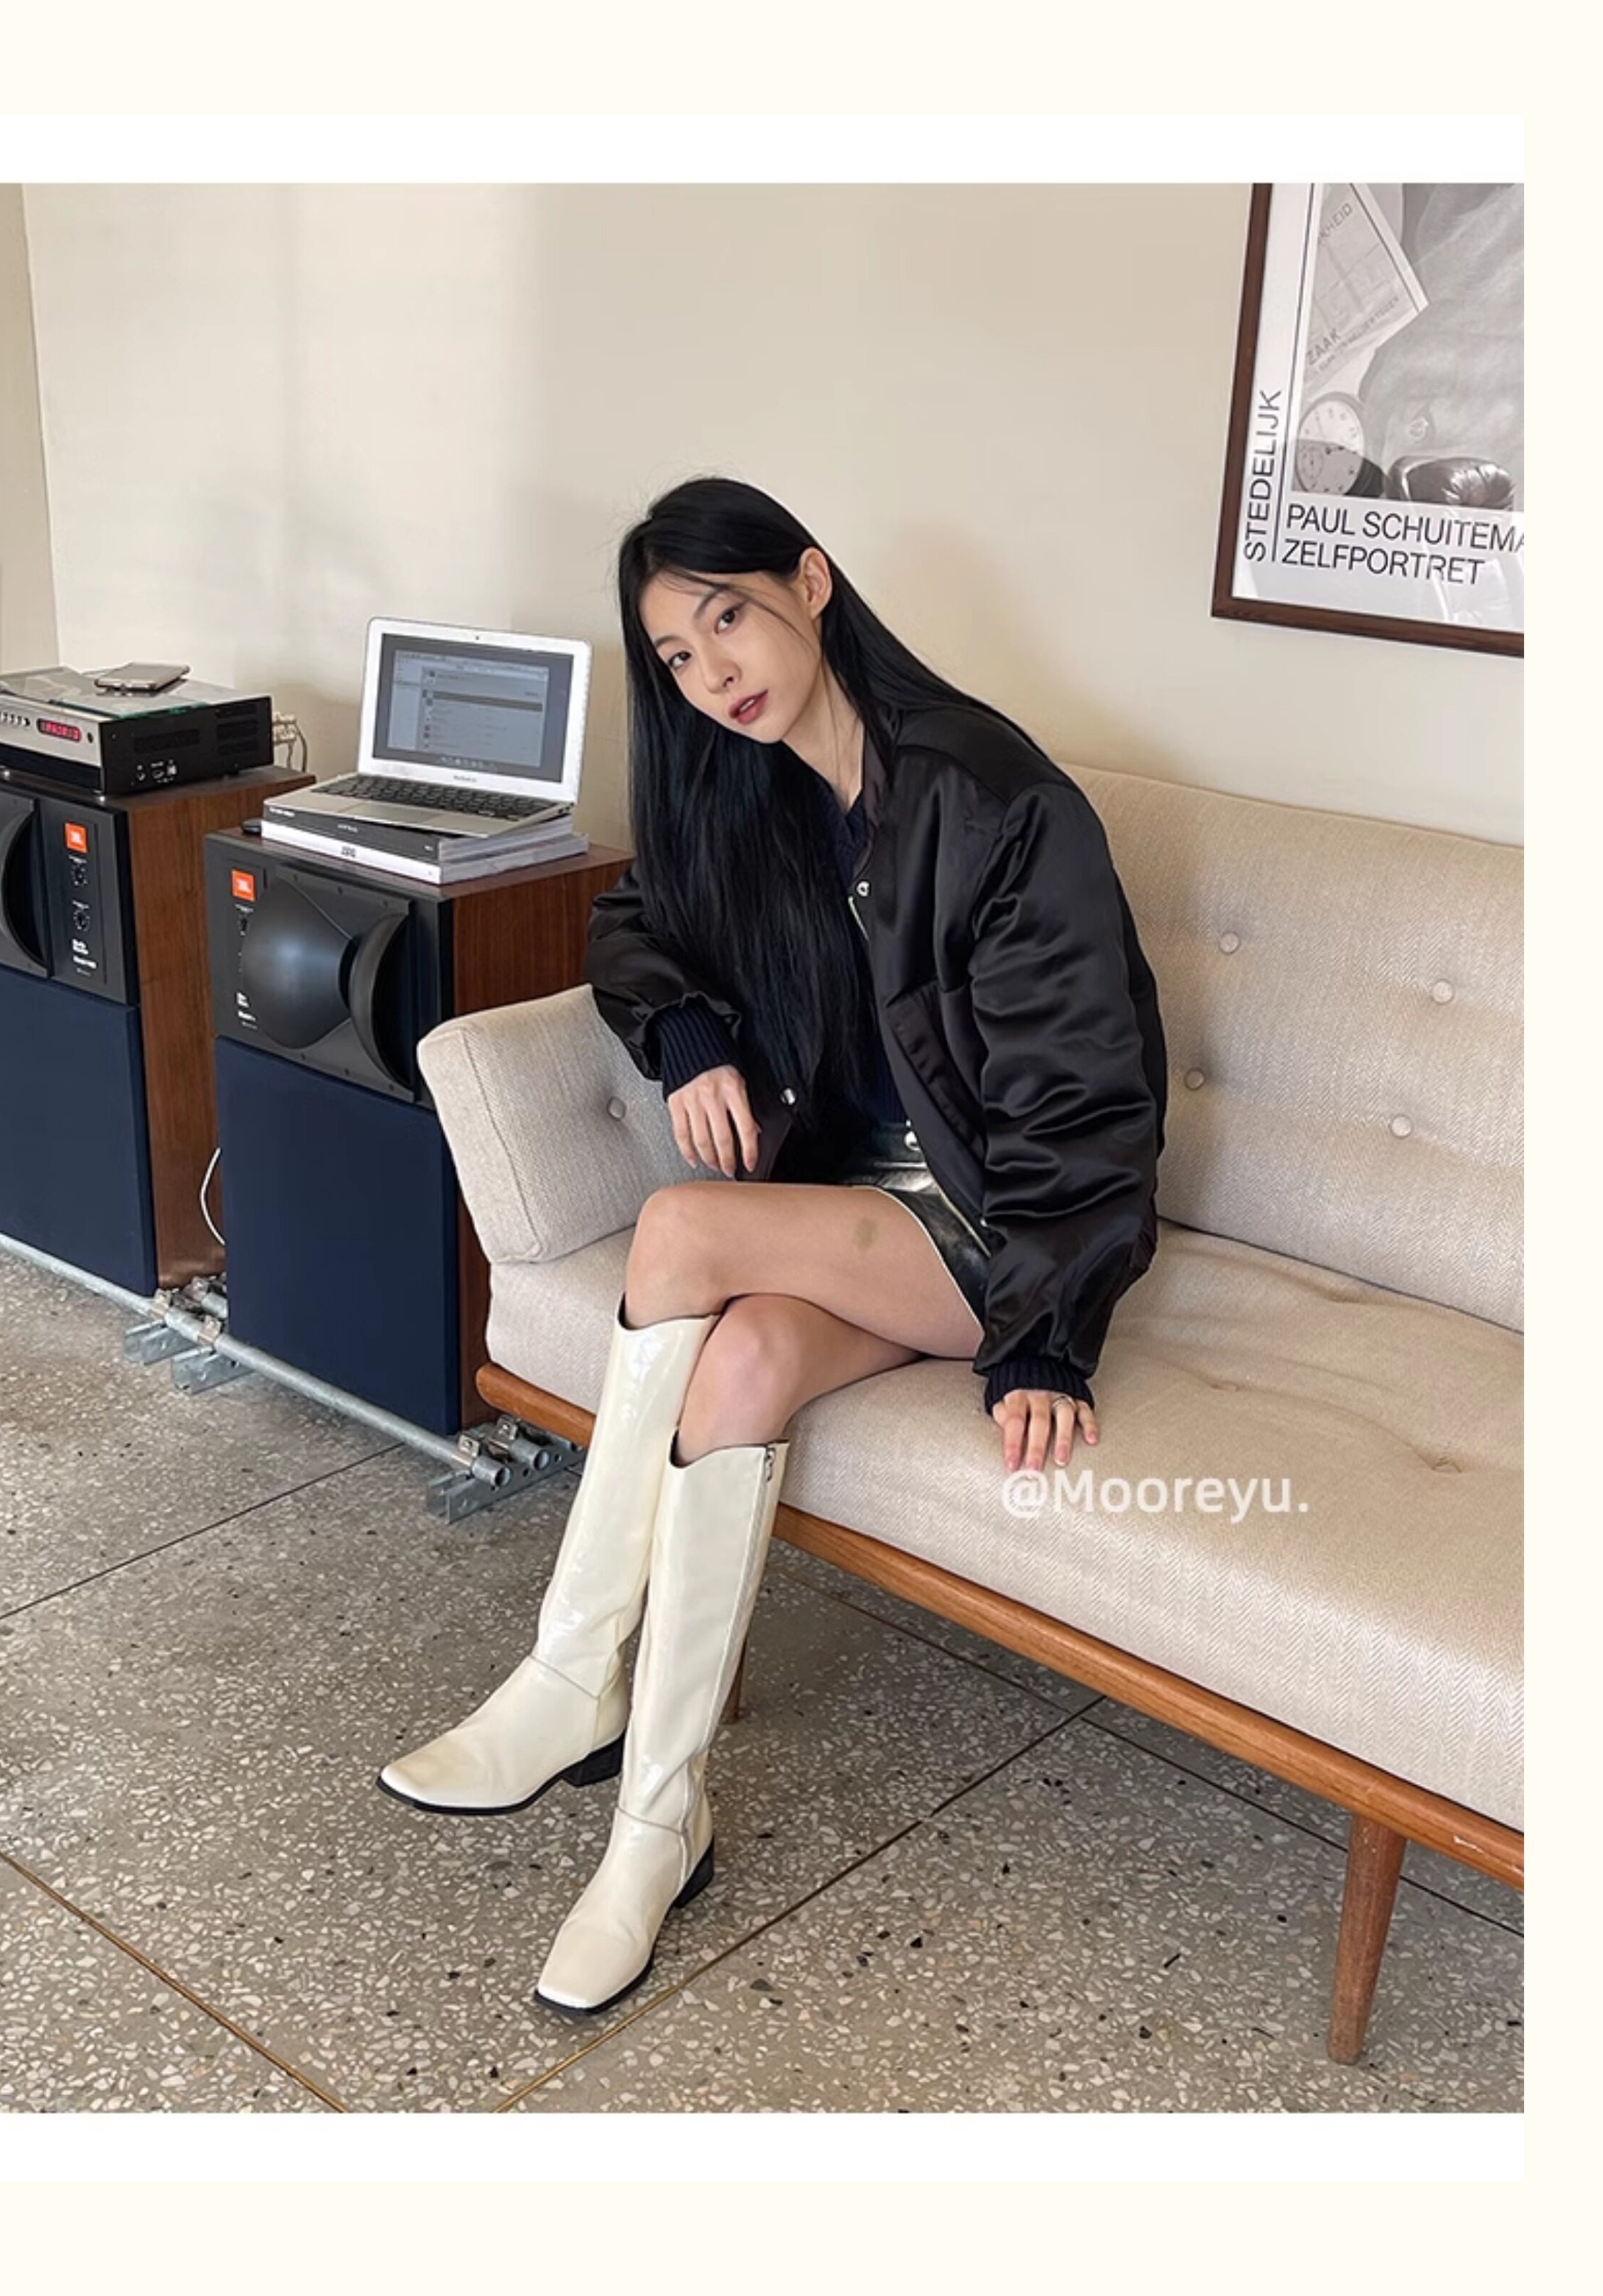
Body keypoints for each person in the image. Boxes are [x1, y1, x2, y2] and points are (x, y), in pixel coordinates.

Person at [378, 475, 1168, 2015]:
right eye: (677, 654)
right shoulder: (750, 787)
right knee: (738, 1361)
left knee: (681, 1225)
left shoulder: (990, 798)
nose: (711, 671)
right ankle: (660, 1817)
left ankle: (570, 1674)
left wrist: (1047, 1338)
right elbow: (637, 918)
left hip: (995, 1223)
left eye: (727, 617)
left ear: (811, 582)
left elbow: (1087, 1095)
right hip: (862, 1216)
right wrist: (685, 1031)